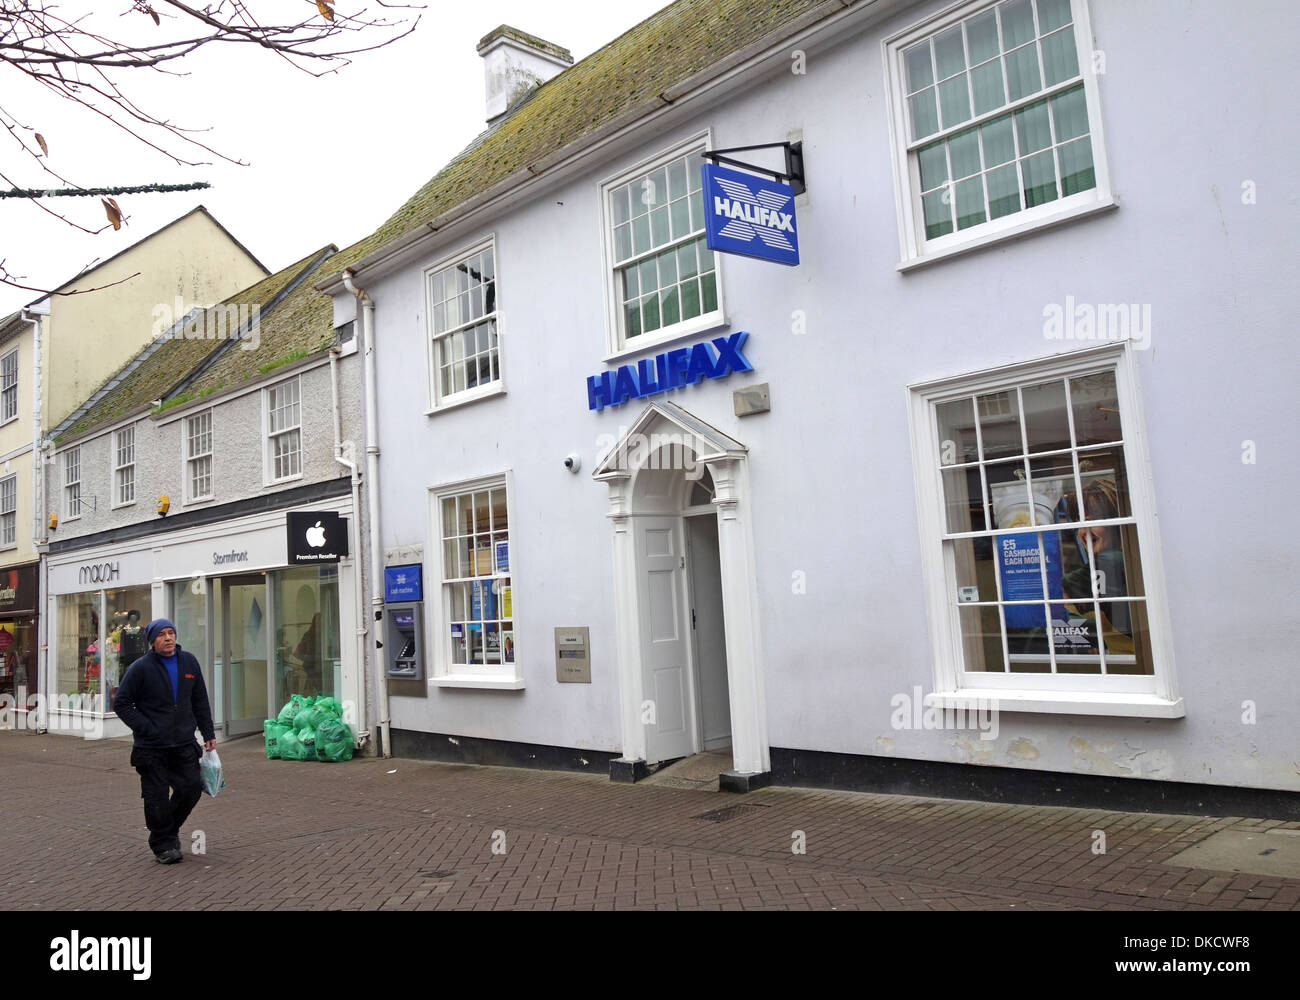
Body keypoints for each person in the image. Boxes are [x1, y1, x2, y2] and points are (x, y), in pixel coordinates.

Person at [112, 618, 216, 864]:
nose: (168, 638)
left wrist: (208, 733)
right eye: (161, 635)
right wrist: (146, 728)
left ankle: (166, 833)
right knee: (156, 797)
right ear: (152, 641)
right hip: (151, 748)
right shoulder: (140, 668)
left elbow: (199, 699)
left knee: (191, 789)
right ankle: (163, 845)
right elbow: (122, 703)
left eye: (171, 633)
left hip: (183, 744)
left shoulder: (189, 662)